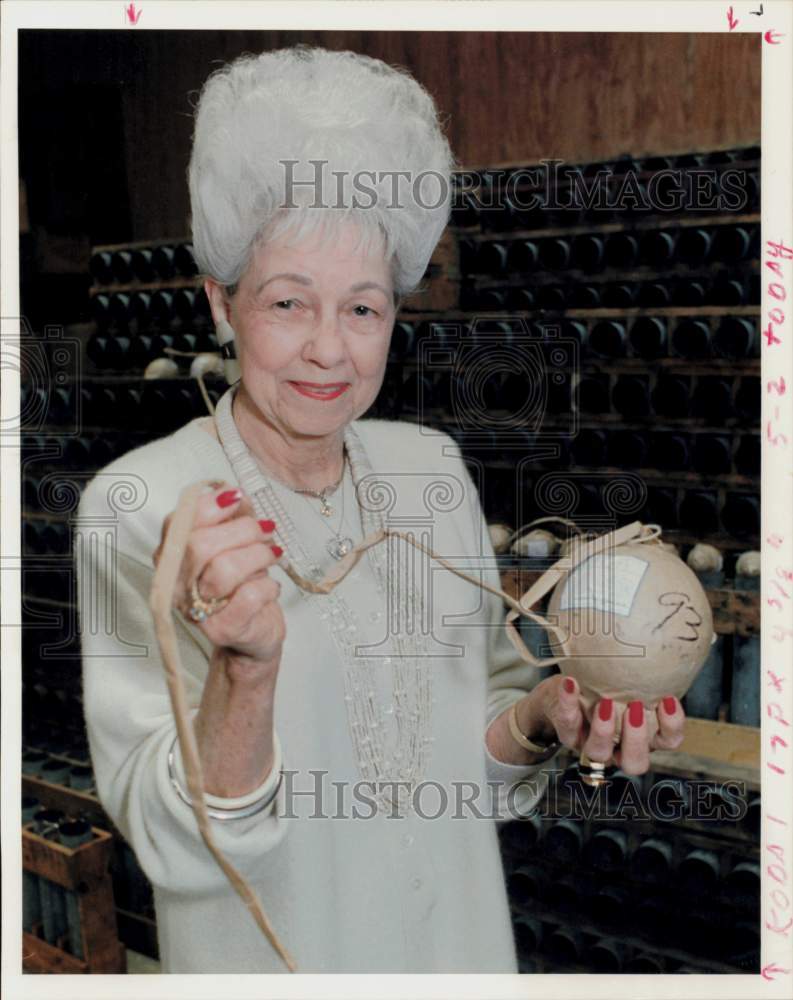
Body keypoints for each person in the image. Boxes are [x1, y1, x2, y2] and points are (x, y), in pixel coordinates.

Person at [75, 46, 685, 974]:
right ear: (220, 304)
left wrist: (544, 718)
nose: (329, 350)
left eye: (362, 310)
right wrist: (244, 671)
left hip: (457, 953)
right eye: (288, 302)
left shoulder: (426, 472)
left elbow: (465, 771)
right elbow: (175, 844)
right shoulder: (142, 508)